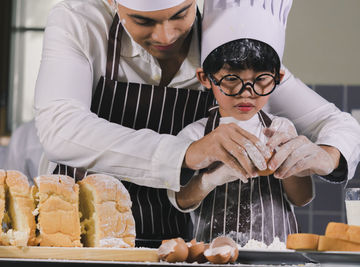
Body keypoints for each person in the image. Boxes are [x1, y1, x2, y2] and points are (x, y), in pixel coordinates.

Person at [34, 0, 360, 245]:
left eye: (180, 14)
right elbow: (60, 127)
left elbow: (337, 122)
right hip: (76, 233)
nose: (167, 35)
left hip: (172, 241)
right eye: (143, 20)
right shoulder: (81, 22)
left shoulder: (224, 49)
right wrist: (190, 152)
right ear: (112, 3)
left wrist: (327, 156)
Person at [167, 0, 313, 245]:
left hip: (277, 258)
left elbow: (302, 198)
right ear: (205, 78)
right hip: (213, 256)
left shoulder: (280, 130)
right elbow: (181, 200)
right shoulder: (195, 135)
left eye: (262, 80)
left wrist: (290, 161)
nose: (247, 93)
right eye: (232, 79)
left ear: (278, 78)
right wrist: (210, 179)